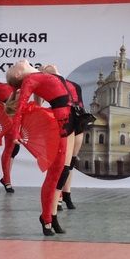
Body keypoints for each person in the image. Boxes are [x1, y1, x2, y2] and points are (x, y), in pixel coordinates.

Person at [6, 59, 71, 236]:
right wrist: (16, 132)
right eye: (14, 66)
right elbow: (21, 107)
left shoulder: (39, 75)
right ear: (18, 74)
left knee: (57, 173)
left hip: (65, 123)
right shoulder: (29, 80)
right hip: (59, 124)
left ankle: (49, 217)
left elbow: (41, 98)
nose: (18, 61)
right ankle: (47, 218)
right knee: (54, 175)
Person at [39, 64, 89, 213]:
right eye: (45, 67)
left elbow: (79, 103)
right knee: (62, 164)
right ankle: (59, 196)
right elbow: (38, 104)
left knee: (71, 162)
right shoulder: (46, 84)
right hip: (64, 122)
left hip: (78, 120)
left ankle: (67, 194)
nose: (49, 65)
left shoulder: (72, 84)